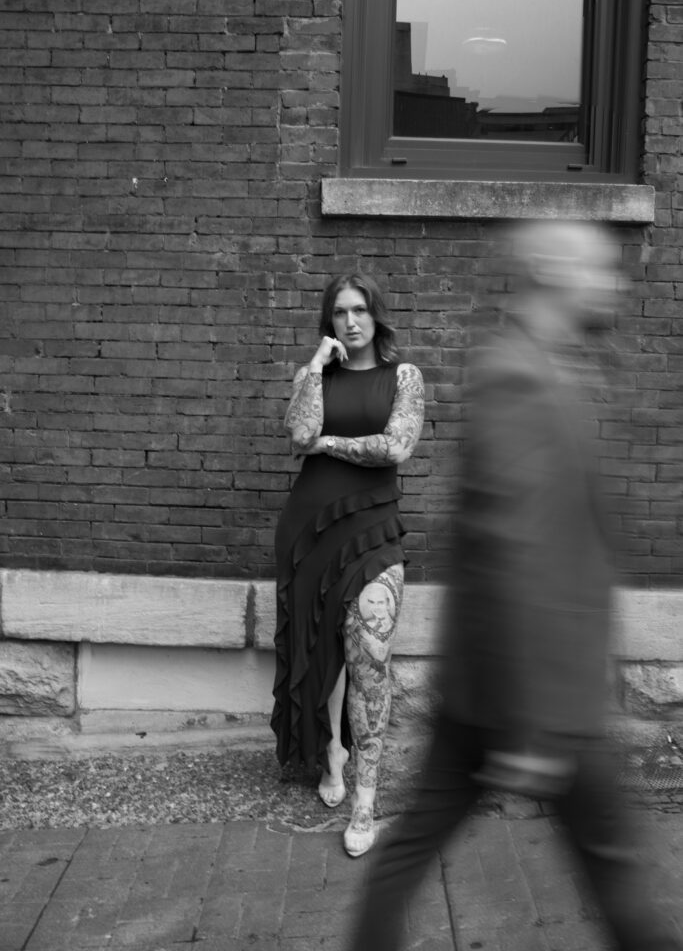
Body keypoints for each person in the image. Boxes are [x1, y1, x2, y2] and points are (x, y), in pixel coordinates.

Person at [346, 221, 682, 950]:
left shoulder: (552, 365)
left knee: (420, 841)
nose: (614, 284)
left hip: (501, 685)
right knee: (616, 871)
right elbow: (511, 548)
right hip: (534, 692)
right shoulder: (518, 376)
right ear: (553, 277)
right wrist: (531, 728)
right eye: (599, 269)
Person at [271, 271, 424, 857]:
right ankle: (330, 752)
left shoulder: (404, 377)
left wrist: (330, 446)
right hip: (311, 532)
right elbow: (298, 433)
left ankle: (366, 797)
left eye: (359, 310)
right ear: (328, 321)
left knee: (369, 660)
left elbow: (396, 447)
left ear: (376, 315)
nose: (350, 321)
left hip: (372, 532)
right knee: (322, 648)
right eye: (339, 313)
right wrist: (315, 364)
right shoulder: (314, 377)